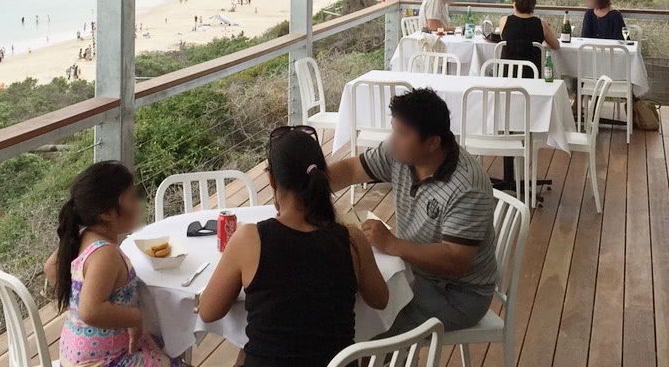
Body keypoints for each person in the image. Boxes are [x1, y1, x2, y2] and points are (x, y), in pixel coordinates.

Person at [201, 127, 387, 366]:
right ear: (322, 176)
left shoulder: (249, 238)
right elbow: (380, 299)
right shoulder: (352, 239)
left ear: (271, 180)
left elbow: (208, 312)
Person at [329, 88, 496, 335]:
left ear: (432, 143)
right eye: (394, 129)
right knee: (351, 296)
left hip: (457, 293)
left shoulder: (467, 187)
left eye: (403, 133)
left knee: (361, 322)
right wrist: (307, 188)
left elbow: (455, 261)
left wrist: (392, 244)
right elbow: (352, 170)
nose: (393, 139)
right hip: (413, 269)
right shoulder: (400, 152)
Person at [43, 161, 181, 367]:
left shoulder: (82, 237)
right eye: (132, 198)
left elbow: (52, 268)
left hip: (76, 355)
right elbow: (91, 311)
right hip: (103, 361)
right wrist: (135, 317)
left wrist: (79, 294)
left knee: (158, 345)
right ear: (107, 213)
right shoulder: (104, 254)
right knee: (169, 353)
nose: (138, 204)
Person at [499, 0, 560, 75]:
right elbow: (556, 45)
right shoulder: (541, 24)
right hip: (533, 75)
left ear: (515, 4)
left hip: (507, 73)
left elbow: (504, 38)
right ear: (533, 5)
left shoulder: (504, 21)